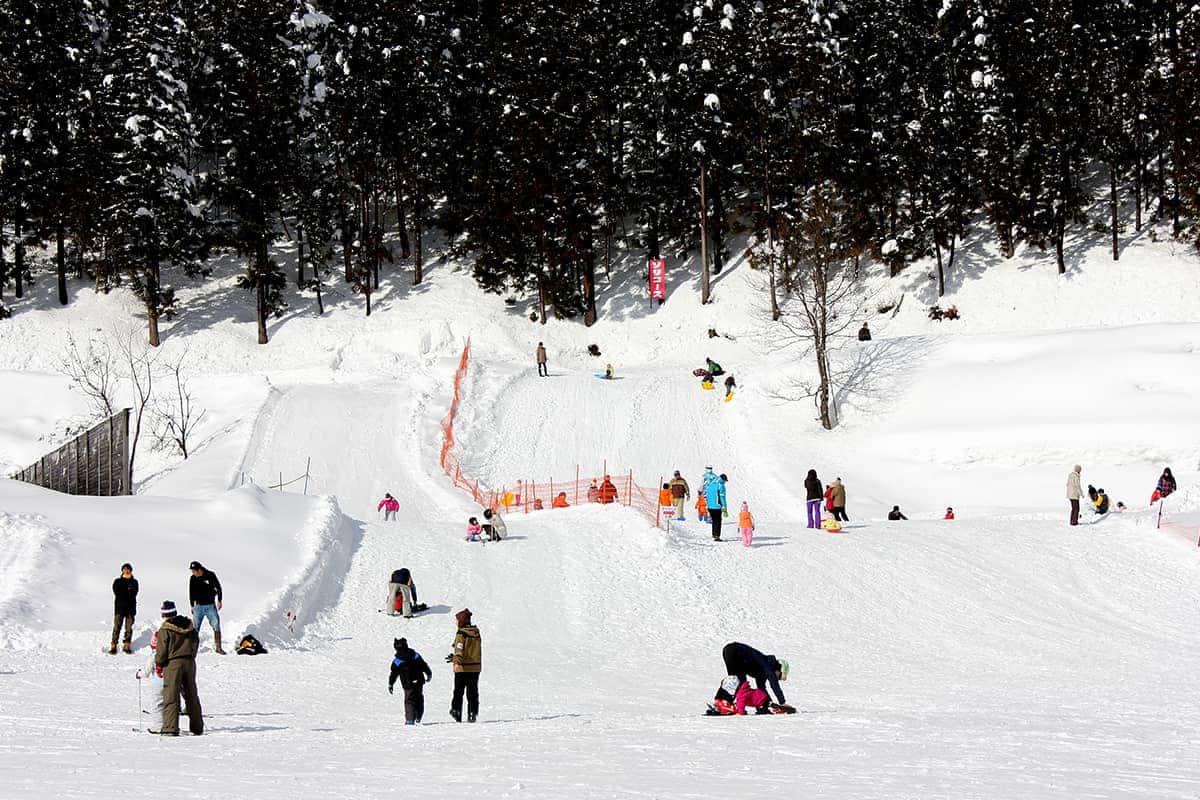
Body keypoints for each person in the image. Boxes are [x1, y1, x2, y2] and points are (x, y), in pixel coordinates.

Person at [154, 600, 203, 736]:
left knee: (171, 695)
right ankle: (197, 727)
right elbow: (195, 642)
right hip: (189, 662)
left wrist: (159, 663)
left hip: (172, 664)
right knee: (191, 695)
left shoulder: (165, 629)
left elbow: (161, 652)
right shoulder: (189, 626)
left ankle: (170, 728)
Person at [721, 642, 788, 706]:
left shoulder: (762, 672)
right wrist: (782, 702)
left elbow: (761, 689)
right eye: (779, 676)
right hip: (734, 651)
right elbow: (774, 684)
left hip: (730, 652)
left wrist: (769, 703)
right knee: (738, 683)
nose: (777, 678)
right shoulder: (767, 664)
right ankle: (726, 702)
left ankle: (724, 703)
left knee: (737, 682)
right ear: (779, 669)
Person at [389, 637, 433, 725]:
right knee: (419, 698)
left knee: (409, 700)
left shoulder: (397, 661)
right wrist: (429, 673)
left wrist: (391, 684)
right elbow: (424, 665)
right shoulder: (415, 655)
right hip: (419, 681)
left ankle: (410, 720)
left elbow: (393, 674)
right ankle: (418, 716)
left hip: (407, 684)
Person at [449, 608, 481, 723]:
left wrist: (456, 661)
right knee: (472, 692)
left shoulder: (461, 633)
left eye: (457, 620)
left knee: (458, 691)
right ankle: (473, 713)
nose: (456, 622)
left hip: (462, 667)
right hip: (475, 667)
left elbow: (459, 648)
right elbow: (471, 648)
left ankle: (456, 711)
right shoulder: (475, 632)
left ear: (461, 621)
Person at [189, 561, 225, 655]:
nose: (193, 573)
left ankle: (218, 647)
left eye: (194, 571)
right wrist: (192, 605)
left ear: (199, 570)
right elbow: (191, 592)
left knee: (216, 625)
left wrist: (219, 600)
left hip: (210, 606)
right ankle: (193, 649)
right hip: (198, 607)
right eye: (192, 571)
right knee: (195, 628)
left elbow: (218, 588)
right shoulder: (192, 578)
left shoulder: (210, 575)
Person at [111, 563, 139, 655]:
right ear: (122, 570)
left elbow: (133, 593)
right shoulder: (117, 581)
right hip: (119, 608)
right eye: (124, 569)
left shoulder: (134, 582)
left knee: (129, 628)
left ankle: (127, 644)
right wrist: (127, 590)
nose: (126, 571)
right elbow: (117, 592)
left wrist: (126, 591)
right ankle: (114, 644)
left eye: (128, 569)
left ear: (131, 571)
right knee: (117, 627)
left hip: (130, 609)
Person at [704, 469, 727, 541]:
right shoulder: (721, 485)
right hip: (717, 506)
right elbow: (722, 497)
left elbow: (706, 494)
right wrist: (724, 506)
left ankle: (714, 534)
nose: (725, 482)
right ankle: (717, 536)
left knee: (714, 520)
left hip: (710, 506)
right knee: (718, 521)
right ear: (723, 479)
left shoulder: (711, 484)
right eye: (725, 481)